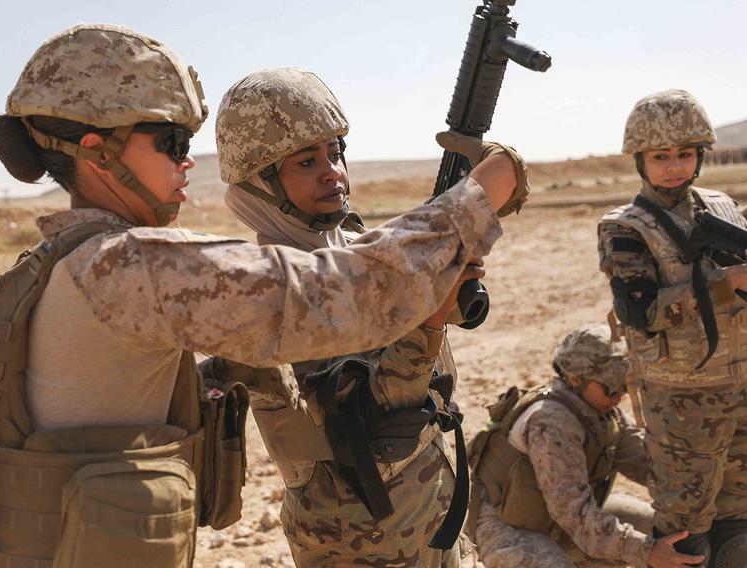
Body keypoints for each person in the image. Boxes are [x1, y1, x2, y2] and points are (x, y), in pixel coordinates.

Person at [0, 23, 527, 567]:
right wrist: (485, 189)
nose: (190, 161)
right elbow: (354, 293)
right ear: (98, 153)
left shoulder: (41, 268)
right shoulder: (128, 266)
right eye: (172, 142)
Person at [207, 67, 508, 567]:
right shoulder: (272, 286)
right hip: (356, 538)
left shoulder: (350, 245)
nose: (332, 172)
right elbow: (375, 421)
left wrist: (442, 282)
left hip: (427, 508)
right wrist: (427, 319)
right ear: (260, 182)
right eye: (307, 161)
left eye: (335, 153)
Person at [598, 89, 747, 567]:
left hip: (741, 385)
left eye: (685, 154)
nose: (674, 166)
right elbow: (640, 312)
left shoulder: (723, 205)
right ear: (641, 160)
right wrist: (727, 283)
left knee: (738, 520)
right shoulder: (625, 227)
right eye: (661, 156)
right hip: (683, 400)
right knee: (686, 529)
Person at [468, 324, 703, 568]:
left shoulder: (603, 414)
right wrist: (647, 551)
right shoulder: (551, 423)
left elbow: (651, 466)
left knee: (669, 534)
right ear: (574, 379)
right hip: (509, 531)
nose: (619, 396)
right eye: (611, 387)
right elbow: (575, 515)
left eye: (624, 385)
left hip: (562, 521)